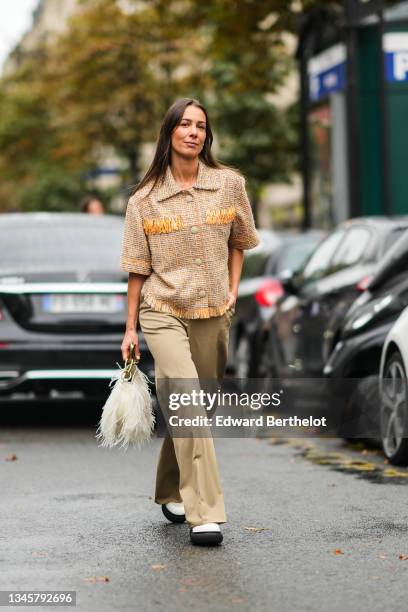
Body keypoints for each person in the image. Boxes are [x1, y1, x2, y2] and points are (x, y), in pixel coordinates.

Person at [119, 97, 259, 546]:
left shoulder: (229, 184)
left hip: (214, 310)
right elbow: (137, 268)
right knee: (186, 398)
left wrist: (233, 288)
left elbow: (240, 240)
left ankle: (170, 488)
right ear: (169, 133)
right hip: (161, 312)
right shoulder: (144, 200)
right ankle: (205, 513)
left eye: (200, 126)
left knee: (200, 403)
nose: (193, 132)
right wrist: (129, 329)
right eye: (184, 124)